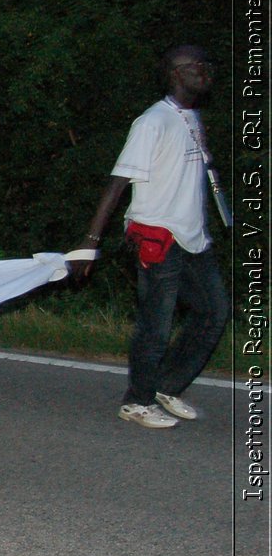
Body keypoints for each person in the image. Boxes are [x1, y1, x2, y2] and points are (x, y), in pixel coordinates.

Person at [70, 44, 230, 429]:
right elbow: (117, 182)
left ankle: (165, 386)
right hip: (157, 235)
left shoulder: (190, 117)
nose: (206, 72)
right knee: (156, 325)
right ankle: (136, 402)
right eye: (198, 66)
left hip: (192, 238)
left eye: (207, 65)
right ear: (176, 74)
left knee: (214, 311)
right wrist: (89, 243)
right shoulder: (152, 122)